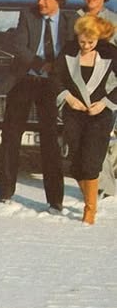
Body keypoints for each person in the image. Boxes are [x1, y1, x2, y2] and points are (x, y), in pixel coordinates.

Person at [0, 0, 77, 212]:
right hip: (25, 79)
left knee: (50, 140)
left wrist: (56, 68)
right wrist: (41, 64)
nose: (40, 2)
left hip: (53, 84)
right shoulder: (28, 15)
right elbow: (19, 47)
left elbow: (73, 50)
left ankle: (55, 199)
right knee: (11, 135)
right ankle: (6, 191)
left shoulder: (70, 21)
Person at [51, 15, 117, 225]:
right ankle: (90, 195)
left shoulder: (109, 53)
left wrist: (105, 102)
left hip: (100, 114)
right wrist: (69, 98)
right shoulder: (68, 51)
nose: (86, 46)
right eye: (82, 41)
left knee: (90, 163)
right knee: (76, 165)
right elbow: (55, 78)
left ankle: (90, 210)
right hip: (74, 113)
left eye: (91, 42)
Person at [76, 0, 117, 198]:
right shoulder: (76, 18)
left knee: (100, 141)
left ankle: (104, 190)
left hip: (108, 91)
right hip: (81, 90)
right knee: (85, 142)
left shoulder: (114, 21)